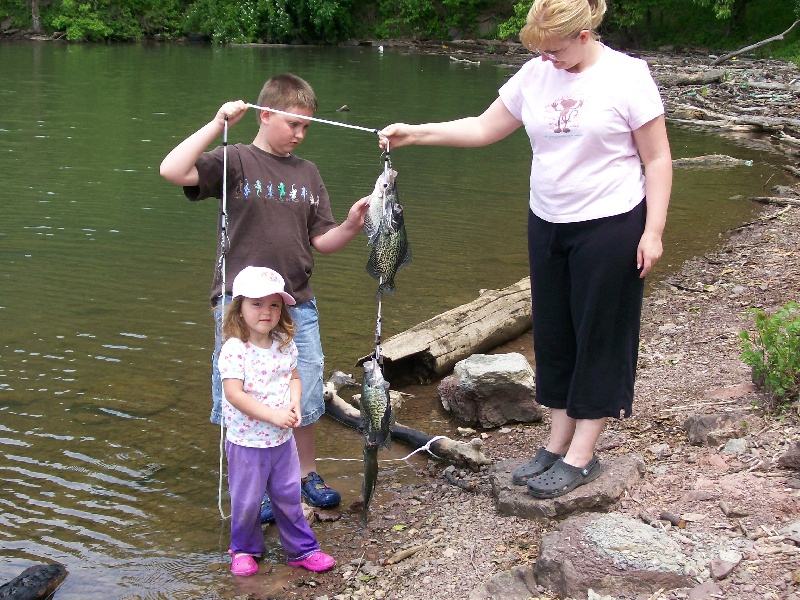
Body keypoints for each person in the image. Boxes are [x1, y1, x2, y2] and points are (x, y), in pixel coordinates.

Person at [380, 0, 672, 499]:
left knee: (598, 334)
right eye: (542, 50)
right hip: (548, 222)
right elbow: (482, 127)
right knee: (555, 334)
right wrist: (416, 134)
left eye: (556, 50)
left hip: (612, 223)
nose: (549, 60)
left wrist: (653, 231)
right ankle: (557, 442)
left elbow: (659, 157)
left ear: (584, 36)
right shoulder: (536, 73)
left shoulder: (628, 76)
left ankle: (584, 453)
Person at [160, 73, 370, 518]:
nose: (300, 134)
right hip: (239, 305)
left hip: (296, 303)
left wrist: (351, 224)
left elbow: (323, 240)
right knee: (242, 390)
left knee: (305, 390)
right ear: (266, 113)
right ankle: (252, 487)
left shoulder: (308, 173)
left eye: (307, 127)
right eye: (294, 124)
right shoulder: (235, 159)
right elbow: (172, 169)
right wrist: (217, 123)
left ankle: (302, 475)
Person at [216, 266, 335, 576]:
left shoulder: (284, 342)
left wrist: (294, 403)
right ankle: (244, 548)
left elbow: (294, 378)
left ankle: (302, 550)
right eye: (256, 304)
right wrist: (274, 415)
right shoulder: (234, 350)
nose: (266, 311)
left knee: (288, 498)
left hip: (282, 442)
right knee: (247, 501)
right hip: (247, 443)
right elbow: (234, 394)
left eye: (274, 304)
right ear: (239, 309)